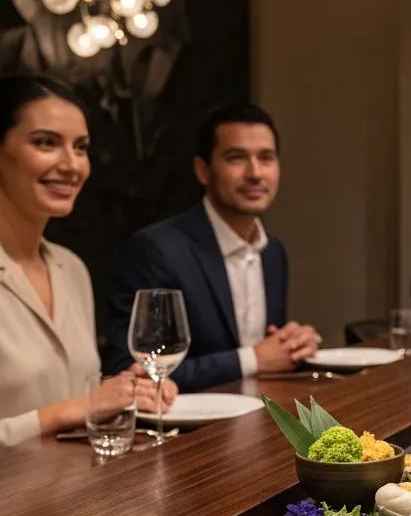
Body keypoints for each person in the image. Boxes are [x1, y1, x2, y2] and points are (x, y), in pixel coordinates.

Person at [0, 76, 174, 447]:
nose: (72, 164)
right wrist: (74, 409)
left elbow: (74, 399)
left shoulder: (71, 268)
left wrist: (122, 391)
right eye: (46, 143)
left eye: (81, 148)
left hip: (77, 495)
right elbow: (69, 408)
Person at [104, 103, 321, 391]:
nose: (255, 173)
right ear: (203, 170)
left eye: (266, 158)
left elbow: (267, 357)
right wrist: (253, 359)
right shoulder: (154, 250)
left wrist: (291, 345)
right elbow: (130, 368)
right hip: (184, 430)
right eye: (236, 158)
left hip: (258, 419)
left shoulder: (273, 252)